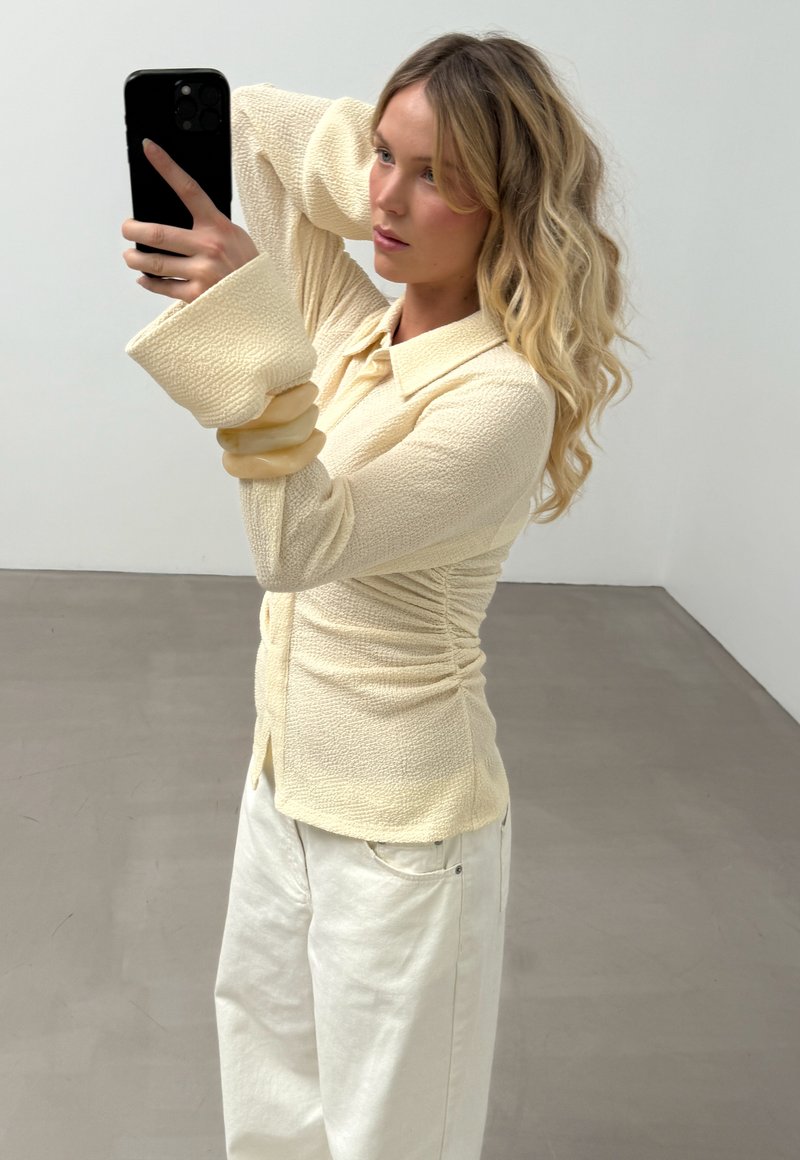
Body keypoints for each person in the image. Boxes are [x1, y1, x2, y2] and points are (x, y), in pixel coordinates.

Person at [122, 30, 640, 1160]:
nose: (387, 201)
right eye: (383, 158)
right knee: (269, 1117)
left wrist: (248, 337)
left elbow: (299, 542)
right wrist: (395, 161)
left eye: (438, 177)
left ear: (508, 204)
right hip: (284, 789)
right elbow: (252, 122)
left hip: (403, 837)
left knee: (390, 1142)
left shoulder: (501, 398)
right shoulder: (357, 328)